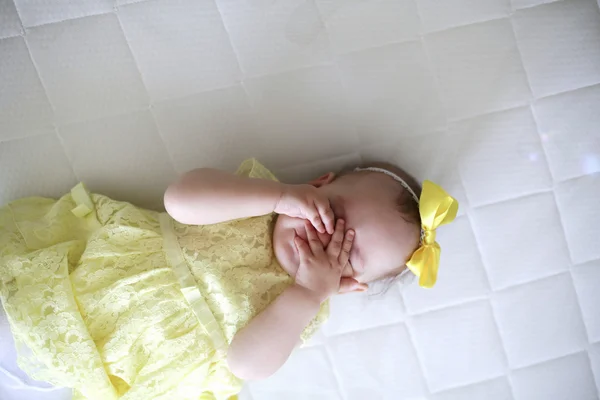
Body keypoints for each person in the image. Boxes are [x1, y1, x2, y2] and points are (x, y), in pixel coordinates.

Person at [0, 158, 457, 400]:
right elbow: (180, 199)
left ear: (351, 284)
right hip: (80, 292)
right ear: (317, 184)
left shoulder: (300, 308)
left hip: (119, 366)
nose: (325, 234)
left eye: (346, 252)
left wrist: (308, 292)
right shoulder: (256, 201)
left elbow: (246, 364)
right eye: (331, 212)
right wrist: (279, 196)